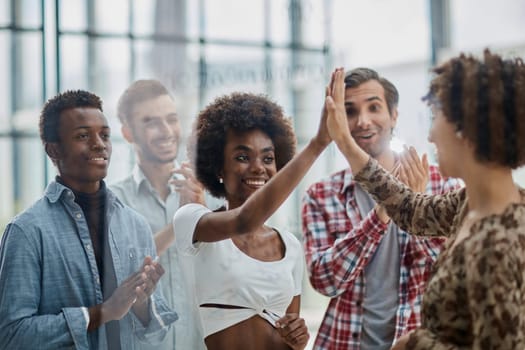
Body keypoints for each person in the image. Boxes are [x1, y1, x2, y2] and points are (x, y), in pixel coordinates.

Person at [325, 51, 525, 349]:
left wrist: (414, 343)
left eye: (435, 120)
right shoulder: (470, 203)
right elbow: (411, 210)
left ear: (468, 131)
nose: (430, 136)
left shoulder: (496, 244)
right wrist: (344, 143)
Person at [0, 90, 177, 349]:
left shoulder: (135, 225)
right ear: (53, 149)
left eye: (104, 135)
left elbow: (157, 333)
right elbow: (11, 336)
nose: (99, 144)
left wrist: (141, 304)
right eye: (83, 136)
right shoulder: (26, 232)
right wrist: (101, 313)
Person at [302, 67, 462, 350]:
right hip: (344, 342)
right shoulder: (321, 195)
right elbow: (325, 281)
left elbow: (456, 271)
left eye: (374, 107)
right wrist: (389, 206)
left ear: (394, 115)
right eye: (349, 111)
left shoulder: (442, 183)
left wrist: (416, 207)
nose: (363, 121)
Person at [173, 92, 331, 350]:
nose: (259, 168)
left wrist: (298, 339)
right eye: (243, 157)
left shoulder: (289, 245)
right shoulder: (192, 223)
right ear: (218, 168)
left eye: (268, 158)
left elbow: (290, 335)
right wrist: (318, 144)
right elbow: (244, 220)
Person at [110, 79, 209, 350]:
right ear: (128, 133)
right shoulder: (114, 201)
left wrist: (204, 215)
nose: (166, 131)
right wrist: (184, 219)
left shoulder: (209, 191)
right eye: (150, 122)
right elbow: (124, 270)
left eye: (172, 119)